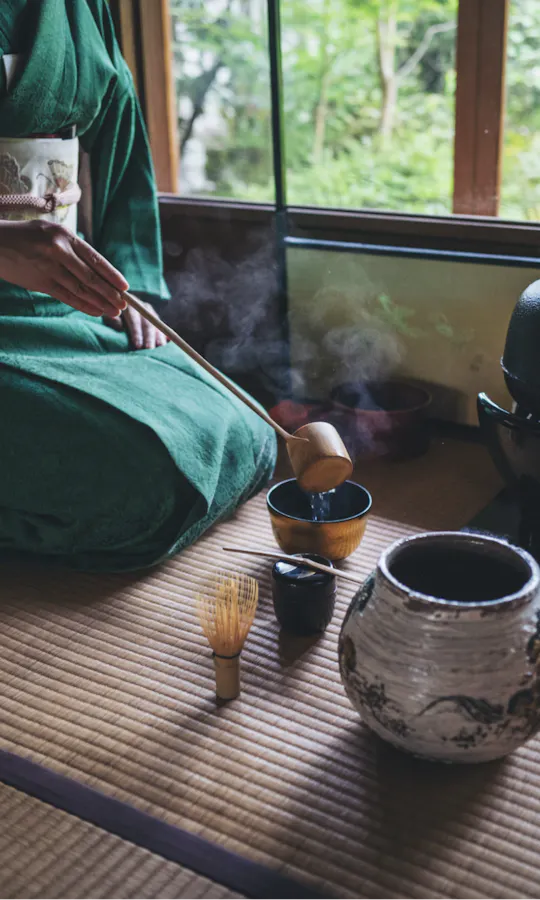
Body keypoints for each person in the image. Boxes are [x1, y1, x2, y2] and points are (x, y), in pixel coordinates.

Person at [0, 0, 276, 571]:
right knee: (146, 483)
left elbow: (120, 123)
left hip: (60, 300)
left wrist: (130, 289)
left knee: (247, 432)